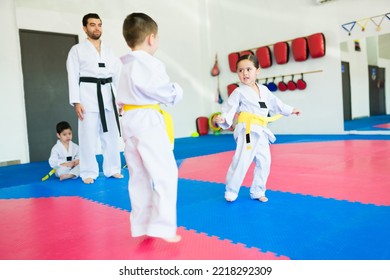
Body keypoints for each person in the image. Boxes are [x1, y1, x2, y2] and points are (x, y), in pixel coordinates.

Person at [117, 13, 183, 242]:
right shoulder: (150, 63)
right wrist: (176, 91)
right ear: (152, 38)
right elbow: (161, 91)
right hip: (147, 122)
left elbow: (119, 98)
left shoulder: (124, 65)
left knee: (138, 176)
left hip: (129, 123)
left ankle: (142, 225)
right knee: (166, 173)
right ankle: (163, 227)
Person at [214, 54, 301, 202]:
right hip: (247, 130)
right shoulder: (239, 92)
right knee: (242, 160)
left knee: (264, 161)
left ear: (257, 71)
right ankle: (231, 190)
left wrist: (290, 110)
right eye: (240, 70)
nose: (245, 73)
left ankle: (257, 191)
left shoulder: (264, 90)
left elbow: (276, 103)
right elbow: (229, 107)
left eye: (249, 69)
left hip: (261, 131)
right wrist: (223, 118)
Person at [66, 13, 123, 184]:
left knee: (111, 137)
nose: (96, 28)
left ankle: (113, 169)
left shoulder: (109, 51)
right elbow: (72, 77)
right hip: (87, 99)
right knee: (88, 138)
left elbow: (118, 76)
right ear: (85, 28)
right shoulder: (77, 50)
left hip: (108, 97)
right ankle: (88, 172)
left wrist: (120, 101)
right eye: (92, 25)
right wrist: (76, 101)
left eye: (99, 24)